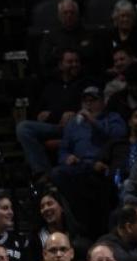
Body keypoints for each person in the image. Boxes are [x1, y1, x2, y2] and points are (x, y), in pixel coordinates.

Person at [16, 49, 89, 177]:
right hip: (54, 127)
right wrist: (46, 115)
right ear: (60, 65)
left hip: (77, 126)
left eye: (77, 61)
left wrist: (69, 114)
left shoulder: (86, 84)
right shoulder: (51, 86)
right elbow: (39, 114)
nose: (74, 64)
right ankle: (44, 173)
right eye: (70, 62)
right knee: (23, 127)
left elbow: (89, 109)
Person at [37, 0, 97, 75]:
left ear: (77, 15)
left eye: (72, 12)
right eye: (65, 13)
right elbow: (45, 60)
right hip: (58, 76)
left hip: (84, 76)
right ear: (59, 16)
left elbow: (94, 57)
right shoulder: (50, 36)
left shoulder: (89, 34)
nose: (69, 15)